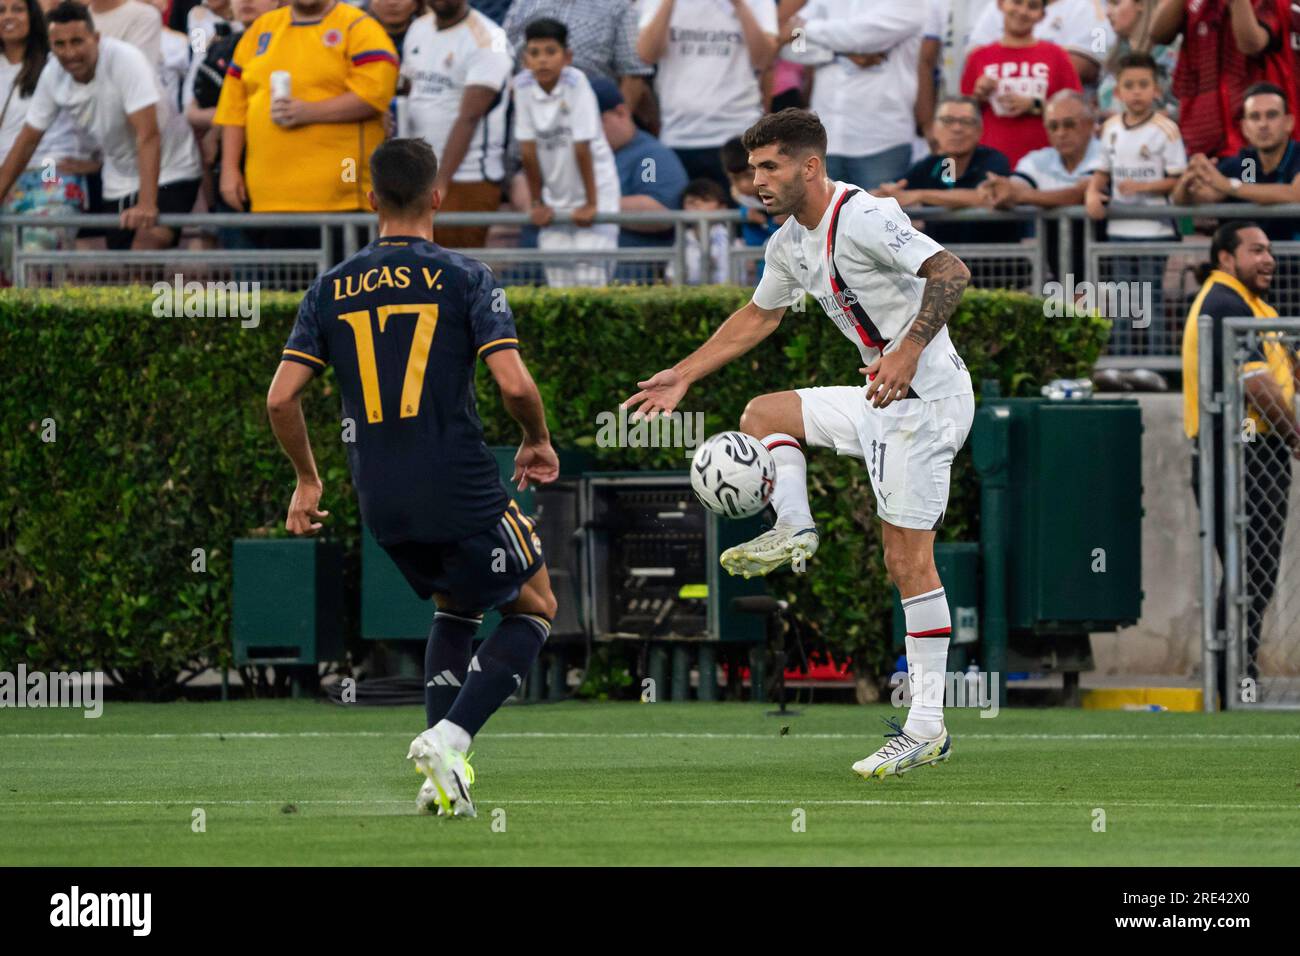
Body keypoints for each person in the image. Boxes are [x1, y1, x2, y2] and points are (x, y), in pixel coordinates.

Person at [623, 109, 975, 778]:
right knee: (763, 414)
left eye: (769, 167)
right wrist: (684, 373)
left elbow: (951, 272)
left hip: (927, 403)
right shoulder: (788, 243)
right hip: (881, 401)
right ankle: (795, 526)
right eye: (752, 168)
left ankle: (927, 726)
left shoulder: (864, 216)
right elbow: (761, 313)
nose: (756, 180)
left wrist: (907, 349)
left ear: (810, 167)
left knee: (907, 563)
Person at [267, 137, 560, 818]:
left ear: (370, 201)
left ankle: (439, 777)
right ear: (438, 197)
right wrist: (536, 438)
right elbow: (513, 382)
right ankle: (452, 736)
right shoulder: (465, 277)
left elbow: (281, 398)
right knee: (538, 605)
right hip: (458, 483)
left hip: (381, 498)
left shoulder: (330, 287)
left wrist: (308, 481)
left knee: (455, 607)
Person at [1181, 221, 1299, 702]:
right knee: (1249, 571)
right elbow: (1256, 385)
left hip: (1260, 452)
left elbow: (1282, 372)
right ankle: (1233, 677)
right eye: (1256, 250)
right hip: (1240, 451)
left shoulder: (1257, 306)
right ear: (1226, 258)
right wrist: (1296, 432)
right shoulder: (1224, 302)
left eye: (1270, 250)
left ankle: (1235, 674)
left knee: (1255, 571)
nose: (1268, 259)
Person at [0, 2, 201, 250]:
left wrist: (148, 203)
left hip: (171, 167)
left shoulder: (126, 60)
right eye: (60, 45)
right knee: (126, 268)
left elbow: (148, 134)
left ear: (95, 38)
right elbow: (28, 139)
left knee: (145, 249)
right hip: (119, 177)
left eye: (77, 41)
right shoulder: (53, 72)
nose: (70, 52)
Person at [213, 0, 399, 251]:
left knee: (339, 287)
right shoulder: (261, 29)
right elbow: (234, 110)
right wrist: (229, 170)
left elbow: (375, 96)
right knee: (281, 289)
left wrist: (308, 112)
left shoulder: (358, 27)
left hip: (342, 199)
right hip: (269, 200)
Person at [1085, 51, 1186, 354]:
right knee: (1122, 298)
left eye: (1144, 84)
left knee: (1150, 297)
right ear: (1118, 92)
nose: (1137, 91)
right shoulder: (1111, 128)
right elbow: (1102, 171)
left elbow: (1177, 179)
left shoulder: (1166, 130)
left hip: (1155, 229)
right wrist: (1092, 193)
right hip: (1119, 229)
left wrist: (1142, 187)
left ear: (1156, 90)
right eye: (1129, 85)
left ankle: (1157, 365)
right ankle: (1122, 363)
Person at [514, 17, 619, 287]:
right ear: (526, 59)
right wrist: (537, 202)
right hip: (555, 198)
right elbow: (527, 151)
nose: (542, 60)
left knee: (592, 284)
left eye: (551, 52)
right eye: (535, 53)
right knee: (558, 286)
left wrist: (591, 204)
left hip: (596, 192)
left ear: (567, 56)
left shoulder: (577, 83)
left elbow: (581, 147)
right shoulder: (522, 86)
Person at [775, 0, 925, 190]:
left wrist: (807, 28)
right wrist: (839, 54)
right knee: (825, 219)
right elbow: (789, 47)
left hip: (882, 140)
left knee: (878, 218)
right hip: (825, 139)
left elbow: (862, 37)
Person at [400, 0, 510, 249]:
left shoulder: (489, 39)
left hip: (466, 177)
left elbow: (469, 118)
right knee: (415, 268)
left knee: (454, 271)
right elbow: (409, 89)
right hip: (418, 174)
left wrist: (441, 182)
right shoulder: (418, 27)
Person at [637, 0, 777, 189]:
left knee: (747, 216)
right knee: (683, 215)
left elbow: (764, 59)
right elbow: (646, 54)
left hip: (739, 133)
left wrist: (740, 6)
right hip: (678, 134)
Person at [0, 0, 91, 272]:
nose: (8, 16)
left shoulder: (57, 62)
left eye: (17, 9)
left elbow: (93, 110)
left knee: (34, 253)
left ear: (32, 15)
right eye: (1, 10)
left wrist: (94, 161)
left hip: (50, 176)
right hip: (6, 184)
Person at [982, 88, 1102, 279]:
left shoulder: (1106, 152)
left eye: (1069, 124)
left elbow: (1080, 194)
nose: (1061, 133)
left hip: (1110, 272)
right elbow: (1013, 188)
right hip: (1063, 274)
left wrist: (1020, 196)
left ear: (1090, 124)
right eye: (1053, 126)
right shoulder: (1038, 159)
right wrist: (1001, 190)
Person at [1152, 0, 1295, 158]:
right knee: (1203, 181)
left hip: (1249, 142)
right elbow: (1157, 34)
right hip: (1200, 138)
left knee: (1248, 179)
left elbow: (1251, 44)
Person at [875, 95, 1018, 251]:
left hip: (996, 265)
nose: (957, 129)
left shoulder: (993, 160)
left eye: (966, 122)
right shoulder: (930, 165)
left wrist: (920, 195)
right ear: (934, 130)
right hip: (943, 268)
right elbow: (888, 191)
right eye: (948, 121)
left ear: (979, 131)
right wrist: (884, 194)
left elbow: (986, 195)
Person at [1173, 82, 1300, 241]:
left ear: (1289, 122)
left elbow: (1295, 194)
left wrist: (1229, 185)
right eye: (1255, 117)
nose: (1263, 124)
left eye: (1272, 115)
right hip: (1251, 263)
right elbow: (1186, 200)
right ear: (1245, 127)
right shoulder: (1248, 162)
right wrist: (1189, 179)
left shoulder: (1296, 155)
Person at [961, 0, 1082, 168]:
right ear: (1001, 4)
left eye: (1032, 6)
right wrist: (978, 96)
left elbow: (1076, 111)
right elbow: (962, 118)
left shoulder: (1057, 56)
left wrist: (1034, 105)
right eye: (1017, 2)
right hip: (990, 163)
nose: (1023, 11)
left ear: (1042, 15)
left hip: (1046, 165)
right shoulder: (979, 57)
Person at [593, 75, 688, 283]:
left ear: (621, 112)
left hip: (633, 279)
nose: (589, 131)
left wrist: (587, 206)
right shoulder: (583, 153)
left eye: (595, 122)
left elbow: (656, 210)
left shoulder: (648, 157)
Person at [502, 0, 653, 113]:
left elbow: (633, 76)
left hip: (590, 127)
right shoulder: (523, 4)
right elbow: (503, 60)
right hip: (529, 125)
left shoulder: (618, 7)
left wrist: (612, 130)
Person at [966, 0, 1116, 89]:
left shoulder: (1094, 7)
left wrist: (1006, 64)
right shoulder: (1005, 4)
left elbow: (1084, 66)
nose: (1023, 11)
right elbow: (975, 54)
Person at [1097, 0, 1179, 120]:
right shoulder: (1113, 55)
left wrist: (1136, 120)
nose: (1108, 12)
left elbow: (1180, 108)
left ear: (1140, 4)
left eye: (1116, 3)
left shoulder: (1169, 52)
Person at [674, 176, 731, 285]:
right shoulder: (682, 240)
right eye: (691, 201)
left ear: (722, 208)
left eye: (705, 200)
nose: (697, 204)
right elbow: (671, 278)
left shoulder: (730, 240)